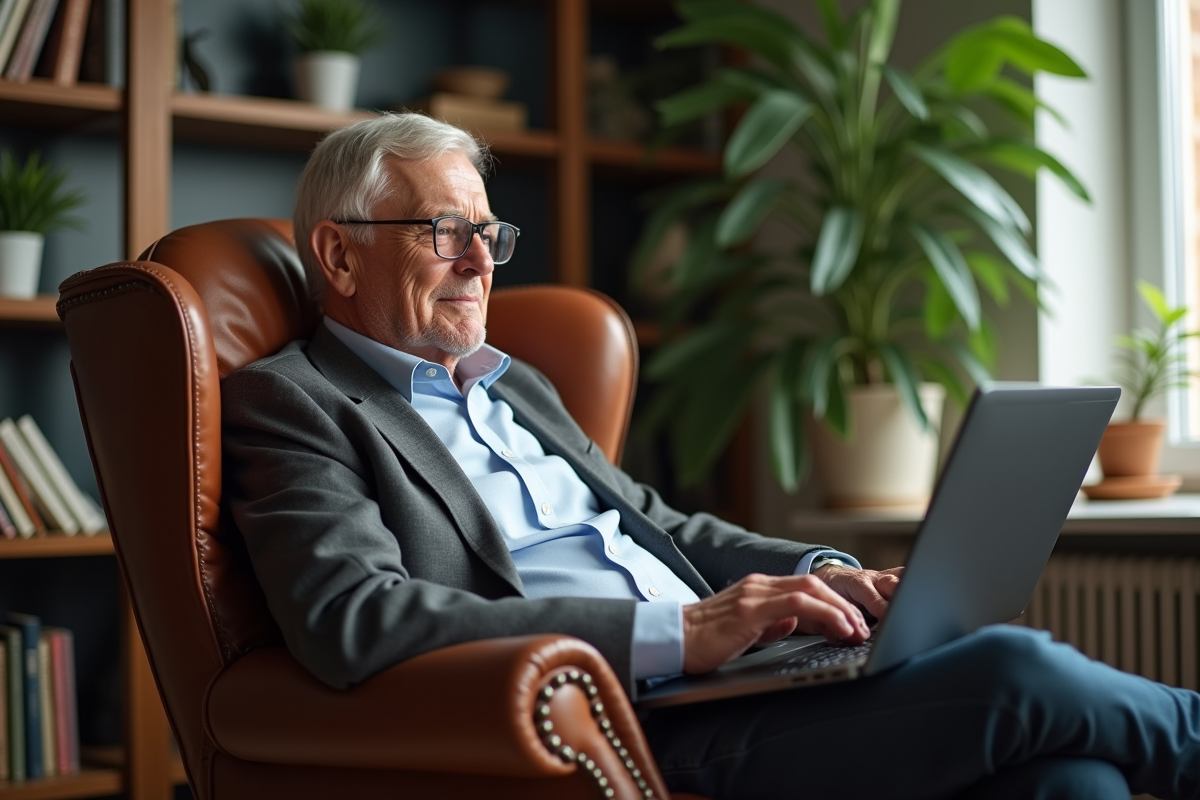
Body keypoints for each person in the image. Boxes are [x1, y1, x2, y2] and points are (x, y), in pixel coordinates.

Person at [221, 112, 1200, 800]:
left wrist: (822, 573)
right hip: (638, 714)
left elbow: (661, 526)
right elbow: (356, 616)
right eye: (446, 232)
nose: (481, 262)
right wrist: (677, 632)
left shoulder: (514, 385)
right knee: (1015, 671)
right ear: (339, 255)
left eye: (487, 233)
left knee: (1071, 779)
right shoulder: (296, 401)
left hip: (738, 673)